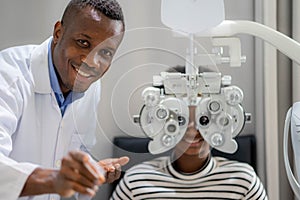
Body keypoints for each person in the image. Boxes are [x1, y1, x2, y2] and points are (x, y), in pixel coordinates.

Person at [0, 0, 130, 199]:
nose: (92, 62)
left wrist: (88, 172)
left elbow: (78, 150)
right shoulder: (8, 75)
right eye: (83, 43)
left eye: (105, 52)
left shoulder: (91, 86)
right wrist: (55, 180)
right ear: (58, 33)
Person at [111, 66, 268, 200]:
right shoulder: (135, 182)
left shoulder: (243, 181)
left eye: (204, 120)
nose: (193, 130)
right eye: (181, 120)